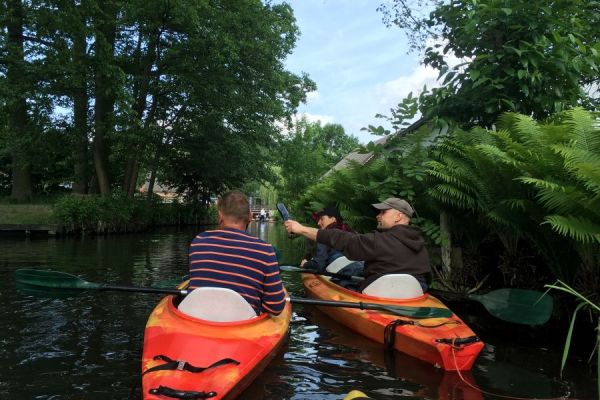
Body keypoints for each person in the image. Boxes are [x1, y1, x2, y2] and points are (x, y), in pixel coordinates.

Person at [284, 197, 431, 292]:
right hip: (413, 296)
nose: (377, 216)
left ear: (398, 216)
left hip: (379, 296)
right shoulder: (420, 246)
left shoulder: (379, 241)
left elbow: (344, 240)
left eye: (383, 212)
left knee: (341, 281)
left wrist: (301, 229)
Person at [189, 190, 286, 315]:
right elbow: (276, 308)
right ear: (250, 217)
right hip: (242, 327)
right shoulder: (265, 250)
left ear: (219, 216)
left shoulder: (198, 241)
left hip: (197, 319)